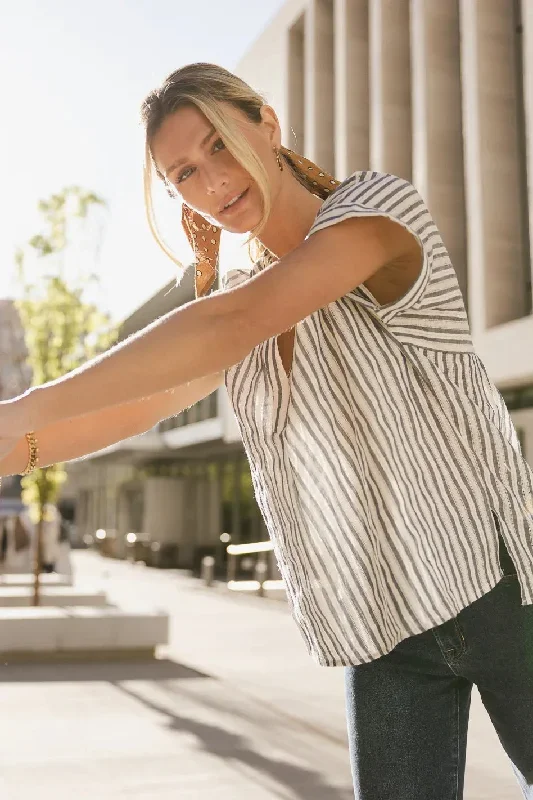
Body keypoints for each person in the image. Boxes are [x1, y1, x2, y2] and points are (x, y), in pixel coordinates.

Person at [0, 63, 532, 798]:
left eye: (219, 144)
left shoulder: (377, 210)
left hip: (501, 589)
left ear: (267, 124)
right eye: (183, 172)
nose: (211, 181)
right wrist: (19, 449)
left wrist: (27, 405)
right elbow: (140, 406)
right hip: (382, 621)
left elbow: (234, 324)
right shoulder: (243, 294)